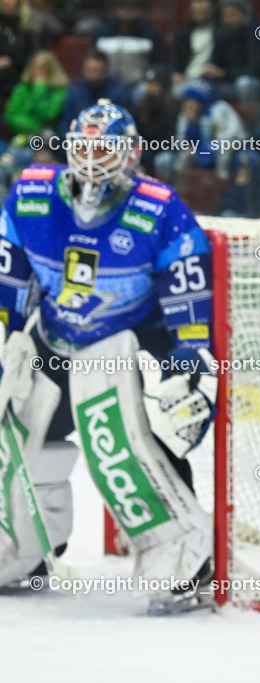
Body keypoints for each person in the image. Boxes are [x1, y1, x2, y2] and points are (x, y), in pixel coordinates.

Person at [0, 100, 217, 615]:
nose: (94, 160)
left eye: (106, 149)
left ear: (132, 153)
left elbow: (187, 297)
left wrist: (185, 367)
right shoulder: (31, 195)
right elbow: (9, 278)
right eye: (85, 148)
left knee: (129, 441)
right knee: (20, 430)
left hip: (130, 343)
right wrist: (6, 339)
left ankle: (185, 561)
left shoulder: (159, 208)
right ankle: (26, 549)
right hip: (55, 337)